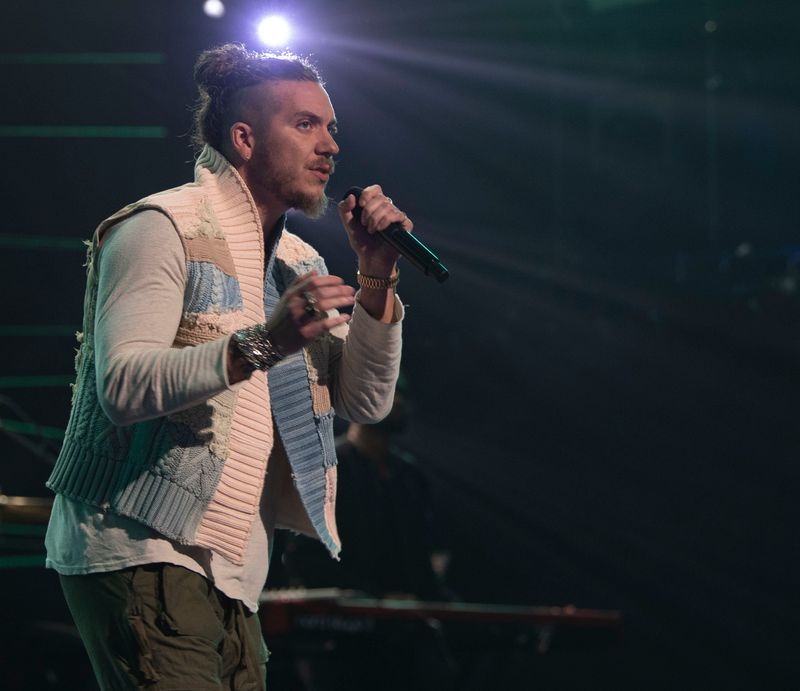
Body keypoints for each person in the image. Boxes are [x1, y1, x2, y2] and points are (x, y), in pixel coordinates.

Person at [44, 43, 409, 691]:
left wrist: (376, 277)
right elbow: (122, 386)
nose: (330, 146)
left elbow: (365, 402)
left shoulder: (300, 263)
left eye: (332, 129)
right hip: (141, 543)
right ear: (243, 137)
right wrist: (263, 343)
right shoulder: (162, 226)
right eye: (305, 125)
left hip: (237, 567)